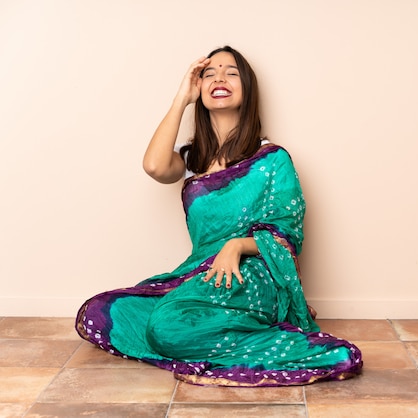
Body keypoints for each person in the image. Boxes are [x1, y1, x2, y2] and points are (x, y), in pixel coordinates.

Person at [75, 46, 362, 386]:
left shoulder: (271, 159)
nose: (219, 78)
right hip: (204, 273)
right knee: (103, 313)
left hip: (253, 274)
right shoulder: (191, 159)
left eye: (231, 72)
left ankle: (305, 346)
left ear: (248, 88)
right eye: (209, 73)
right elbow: (153, 165)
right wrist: (182, 97)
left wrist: (237, 246)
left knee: (165, 328)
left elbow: (289, 234)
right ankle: (235, 328)